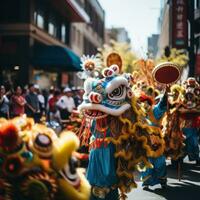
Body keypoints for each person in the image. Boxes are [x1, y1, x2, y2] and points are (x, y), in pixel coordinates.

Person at [140, 91, 168, 189]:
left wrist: (165, 95)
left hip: (156, 140)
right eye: (141, 103)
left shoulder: (155, 110)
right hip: (144, 140)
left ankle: (162, 180)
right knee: (146, 161)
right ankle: (146, 181)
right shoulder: (140, 114)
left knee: (159, 162)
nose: (144, 105)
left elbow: (162, 105)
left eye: (145, 103)